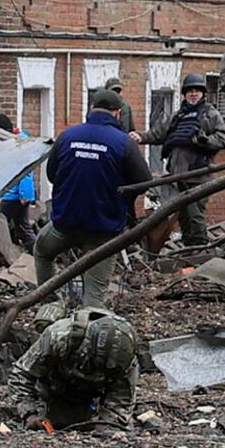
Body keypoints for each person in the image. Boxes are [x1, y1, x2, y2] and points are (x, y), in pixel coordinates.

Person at [43, 87, 151, 307]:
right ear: (117, 114)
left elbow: (51, 175)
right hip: (104, 229)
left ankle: (50, 304)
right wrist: (122, 196)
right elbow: (144, 181)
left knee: (42, 251)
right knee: (94, 295)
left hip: (66, 224)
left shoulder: (67, 136)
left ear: (91, 109)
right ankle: (90, 325)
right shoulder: (124, 143)